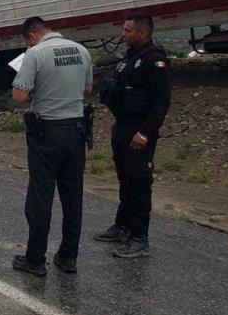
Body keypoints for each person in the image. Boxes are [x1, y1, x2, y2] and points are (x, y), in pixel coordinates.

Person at [11, 16, 93, 276]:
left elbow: (19, 96)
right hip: (76, 131)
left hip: (46, 132)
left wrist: (41, 90)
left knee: (41, 196)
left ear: (32, 35)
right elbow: (87, 90)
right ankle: (68, 257)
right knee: (72, 196)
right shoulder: (81, 50)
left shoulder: (35, 54)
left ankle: (35, 259)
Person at [96, 14, 171, 258]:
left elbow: (161, 103)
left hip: (140, 130)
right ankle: (123, 226)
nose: (123, 34)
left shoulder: (154, 61)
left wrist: (145, 132)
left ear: (142, 32)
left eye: (127, 31)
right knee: (125, 181)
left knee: (139, 185)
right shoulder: (129, 59)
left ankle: (140, 239)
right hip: (123, 127)